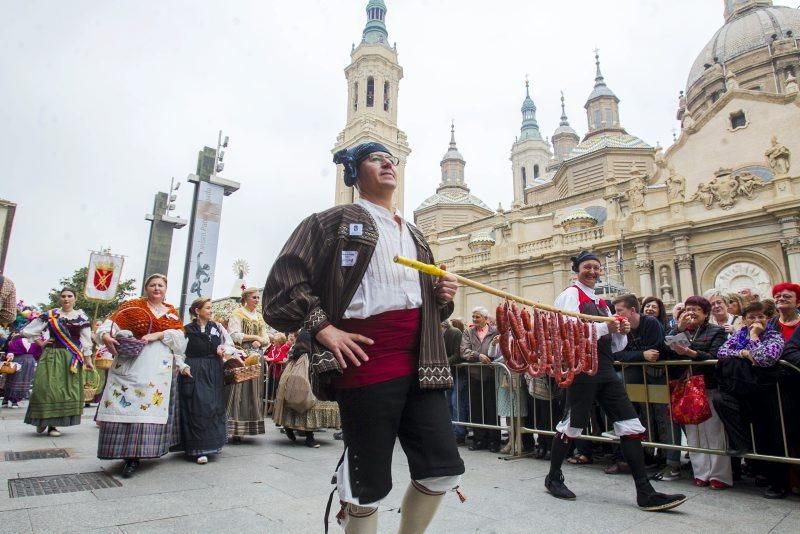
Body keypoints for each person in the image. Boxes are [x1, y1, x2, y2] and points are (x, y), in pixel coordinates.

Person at [263, 141, 464, 533]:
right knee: (366, 481)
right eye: (375, 158)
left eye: (391, 158)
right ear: (354, 173)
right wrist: (324, 327)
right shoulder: (329, 222)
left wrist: (440, 296)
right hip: (366, 360)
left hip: (424, 362)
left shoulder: (417, 235)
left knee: (442, 469)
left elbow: (428, 309)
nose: (388, 162)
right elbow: (282, 286)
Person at [545, 251, 686, 511]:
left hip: (606, 367)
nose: (593, 272)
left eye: (597, 268)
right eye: (588, 267)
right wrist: (604, 328)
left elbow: (616, 344)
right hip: (583, 367)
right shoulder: (570, 295)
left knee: (630, 424)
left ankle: (645, 491)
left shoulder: (602, 303)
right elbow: (567, 332)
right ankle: (553, 477)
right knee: (572, 424)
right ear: (577, 269)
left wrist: (620, 332)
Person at [96, 273, 187, 478]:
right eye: (153, 285)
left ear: (165, 289)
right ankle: (127, 455)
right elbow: (107, 326)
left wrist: (160, 334)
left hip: (158, 370)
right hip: (132, 364)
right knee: (128, 404)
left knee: (147, 408)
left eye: (161, 285)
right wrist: (105, 335)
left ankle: (140, 452)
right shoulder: (132, 307)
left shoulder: (171, 313)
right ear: (146, 288)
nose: (157, 288)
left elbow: (181, 340)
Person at [714, 301, 784, 496]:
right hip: (740, 389)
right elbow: (722, 352)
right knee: (720, 400)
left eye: (760, 317)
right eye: (751, 317)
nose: (756, 321)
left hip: (765, 392)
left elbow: (765, 358)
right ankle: (744, 448)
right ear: (744, 320)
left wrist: (754, 337)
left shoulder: (774, 336)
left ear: (767, 319)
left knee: (769, 435)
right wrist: (744, 352)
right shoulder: (739, 335)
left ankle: (777, 482)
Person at [667, 296, 729, 489]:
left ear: (705, 313)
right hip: (686, 386)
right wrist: (678, 328)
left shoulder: (716, 331)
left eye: (696, 309)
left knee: (713, 431)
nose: (691, 312)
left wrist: (691, 354)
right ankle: (701, 472)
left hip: (707, 385)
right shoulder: (681, 330)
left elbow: (715, 355)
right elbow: (665, 348)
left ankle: (719, 475)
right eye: (688, 309)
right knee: (694, 432)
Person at [611, 294, 675, 477]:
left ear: (632, 311)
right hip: (636, 377)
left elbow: (655, 352)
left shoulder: (651, 324)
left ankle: (667, 458)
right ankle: (647, 454)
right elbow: (618, 354)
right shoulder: (621, 328)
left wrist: (637, 355)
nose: (616, 315)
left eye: (619, 311)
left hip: (657, 376)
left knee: (661, 415)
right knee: (642, 415)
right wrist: (641, 355)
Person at [22, 287, 93, 436]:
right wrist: (41, 342)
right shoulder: (51, 315)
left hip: (70, 358)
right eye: (63, 296)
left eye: (69, 296)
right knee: (44, 388)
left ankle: (52, 425)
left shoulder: (81, 318)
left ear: (75, 299)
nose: (66, 299)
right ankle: (41, 418)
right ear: (60, 298)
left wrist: (88, 360)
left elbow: (86, 340)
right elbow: (28, 330)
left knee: (62, 391)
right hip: (51, 355)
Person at [180, 297, 232, 465]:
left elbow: (230, 345)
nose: (211, 311)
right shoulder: (186, 330)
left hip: (214, 370)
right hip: (195, 369)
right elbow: (178, 352)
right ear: (197, 310)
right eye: (208, 308)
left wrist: (223, 348)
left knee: (214, 405)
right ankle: (198, 448)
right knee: (197, 405)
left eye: (211, 308)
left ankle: (213, 445)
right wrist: (182, 366)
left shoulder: (217, 327)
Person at [273, 331, 341, 448]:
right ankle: (309, 437)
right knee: (306, 398)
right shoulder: (309, 333)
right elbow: (305, 348)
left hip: (299, 367)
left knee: (299, 397)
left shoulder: (307, 332)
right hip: (307, 369)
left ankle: (290, 427)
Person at [225, 287, 268, 441]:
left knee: (254, 390)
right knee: (240, 391)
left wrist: (260, 341)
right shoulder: (237, 313)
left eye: (258, 298)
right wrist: (255, 337)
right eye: (254, 297)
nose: (257, 300)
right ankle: (235, 428)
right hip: (242, 354)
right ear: (246, 298)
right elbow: (234, 335)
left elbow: (266, 339)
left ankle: (250, 426)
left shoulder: (259, 316)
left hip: (257, 355)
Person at [460, 306, 501, 452]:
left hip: (491, 375)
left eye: (477, 317)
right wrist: (478, 356)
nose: (474, 319)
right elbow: (464, 351)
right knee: (476, 408)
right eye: (473, 316)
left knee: (491, 408)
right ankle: (479, 440)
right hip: (474, 375)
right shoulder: (468, 332)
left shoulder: (495, 331)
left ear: (485, 318)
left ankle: (494, 440)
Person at [443, 319, 468, 445]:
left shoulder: (455, 332)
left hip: (459, 373)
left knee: (456, 402)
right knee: (448, 403)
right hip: (448, 373)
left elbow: (457, 354)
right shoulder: (440, 334)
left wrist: (442, 362)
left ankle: (459, 433)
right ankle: (452, 431)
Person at [2, 331, 42, 408]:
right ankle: (12, 400)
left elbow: (10, 351)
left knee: (18, 380)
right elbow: (11, 351)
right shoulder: (20, 341)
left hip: (25, 362)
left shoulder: (33, 342)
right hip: (21, 362)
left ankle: (10, 400)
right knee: (16, 379)